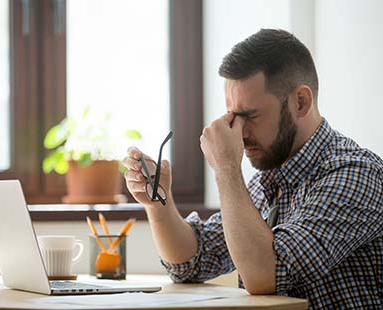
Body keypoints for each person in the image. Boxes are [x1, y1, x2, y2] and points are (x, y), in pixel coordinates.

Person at [123, 29, 383, 309]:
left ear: (300, 102)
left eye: (250, 115)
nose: (239, 131)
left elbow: (266, 275)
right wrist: (158, 204)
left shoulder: (356, 174)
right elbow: (190, 262)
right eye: (232, 116)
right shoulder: (267, 182)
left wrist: (225, 168)